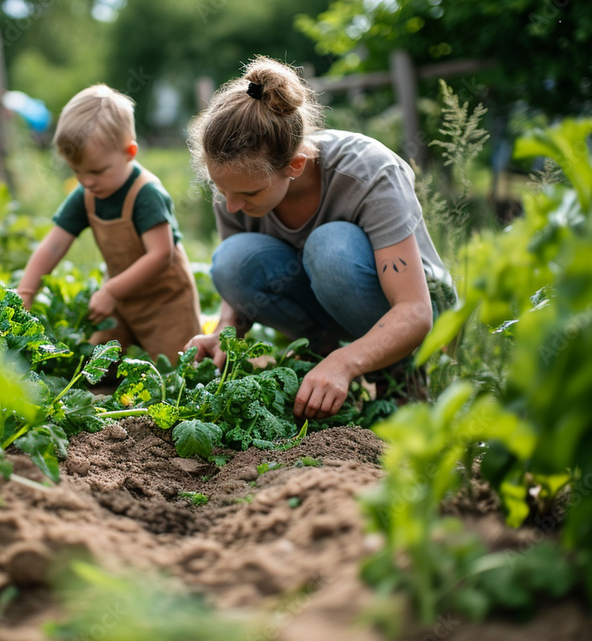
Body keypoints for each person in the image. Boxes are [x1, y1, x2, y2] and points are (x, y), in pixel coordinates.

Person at [185, 57, 453, 419]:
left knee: (330, 248)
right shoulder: (236, 187)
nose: (232, 205)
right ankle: (319, 352)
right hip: (328, 303)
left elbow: (416, 311)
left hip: (414, 313)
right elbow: (240, 275)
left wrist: (347, 362)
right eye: (221, 189)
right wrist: (226, 330)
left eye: (249, 194)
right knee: (232, 258)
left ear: (294, 166)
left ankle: (402, 374)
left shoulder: (368, 172)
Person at [17, 84, 201, 364]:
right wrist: (26, 291)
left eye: (97, 171)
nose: (87, 181)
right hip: (119, 302)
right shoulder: (87, 195)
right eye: (76, 171)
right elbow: (54, 245)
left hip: (166, 304)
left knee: (177, 370)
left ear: (130, 152)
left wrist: (111, 291)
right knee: (98, 363)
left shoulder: (146, 194)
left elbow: (161, 255)